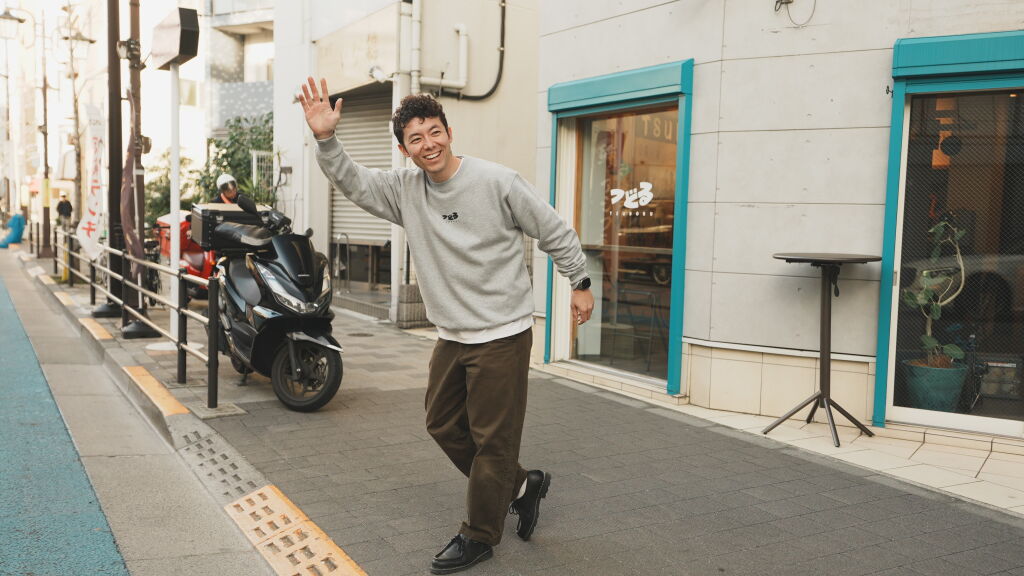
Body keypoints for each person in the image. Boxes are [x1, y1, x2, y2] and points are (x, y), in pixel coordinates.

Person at [299, 77, 594, 574]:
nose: (428, 144)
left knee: (492, 441)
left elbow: (553, 229)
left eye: (434, 132)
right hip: (453, 334)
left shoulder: (497, 181)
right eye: (415, 138)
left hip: (502, 332)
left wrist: (579, 280)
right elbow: (353, 181)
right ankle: (522, 485)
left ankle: (479, 535)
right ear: (404, 149)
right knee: (441, 423)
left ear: (449, 132)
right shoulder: (404, 190)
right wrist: (326, 138)